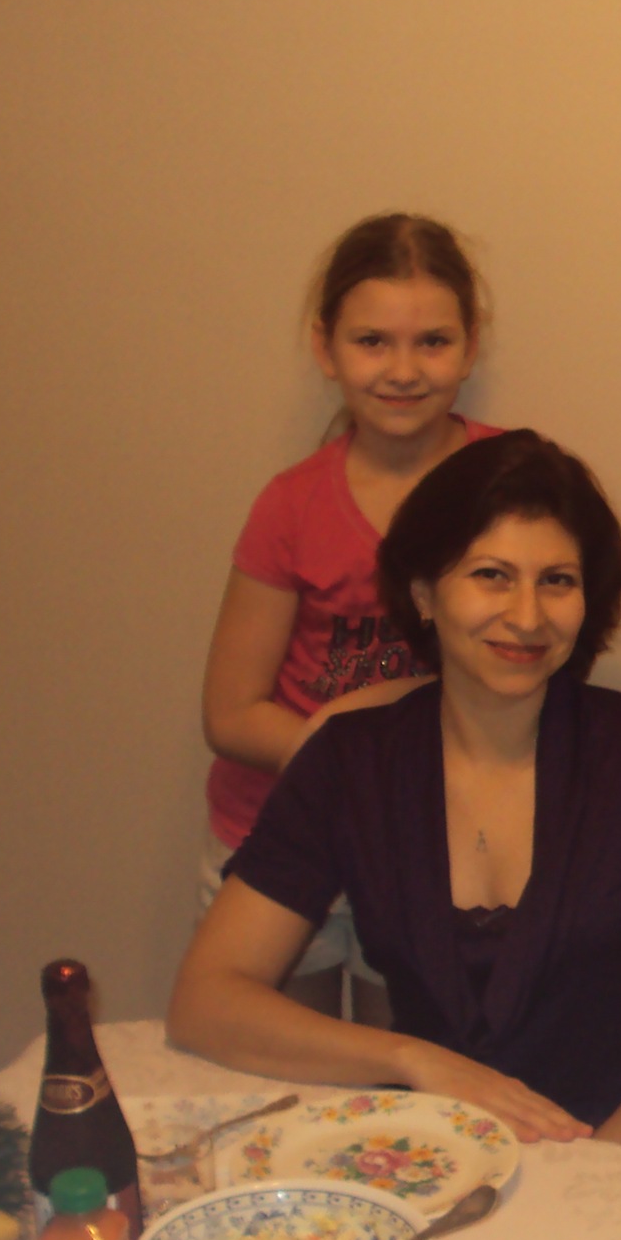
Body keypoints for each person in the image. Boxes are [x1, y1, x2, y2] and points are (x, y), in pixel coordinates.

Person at [168, 431, 621, 1166]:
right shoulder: (352, 762)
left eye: (557, 581)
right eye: (491, 575)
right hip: (447, 1160)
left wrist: (593, 1170)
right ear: (423, 592)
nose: (528, 616)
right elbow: (205, 1001)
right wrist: (411, 1059)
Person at [198, 214, 501, 1018]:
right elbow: (230, 715)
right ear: (324, 347)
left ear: (471, 346)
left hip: (432, 841)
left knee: (398, 1068)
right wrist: (366, 767)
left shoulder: (511, 482)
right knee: (277, 1069)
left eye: (432, 342)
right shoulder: (291, 506)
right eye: (372, 342)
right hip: (280, 829)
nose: (402, 370)